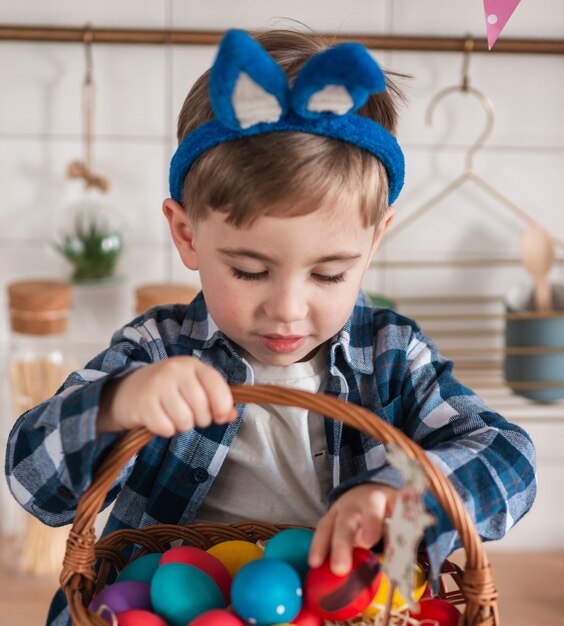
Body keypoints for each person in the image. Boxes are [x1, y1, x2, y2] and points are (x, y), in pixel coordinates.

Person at [6, 28, 536, 625]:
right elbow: (34, 480)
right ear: (186, 235)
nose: (287, 309)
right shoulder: (159, 350)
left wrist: (398, 494)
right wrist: (117, 404)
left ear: (374, 241)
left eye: (330, 274)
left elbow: (509, 457)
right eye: (250, 270)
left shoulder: (391, 356)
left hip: (341, 607)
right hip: (173, 601)